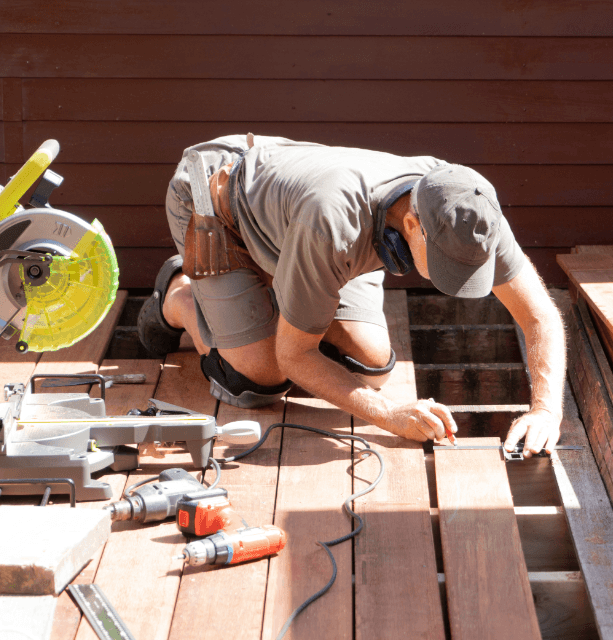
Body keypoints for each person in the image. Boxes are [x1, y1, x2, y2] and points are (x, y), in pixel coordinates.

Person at [138, 134, 565, 456]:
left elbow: (540, 316)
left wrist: (545, 410)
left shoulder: (470, 207)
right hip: (216, 195)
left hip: (303, 222)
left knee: (371, 365)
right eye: (446, 266)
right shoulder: (332, 223)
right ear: (413, 226)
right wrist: (390, 416)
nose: (457, 280)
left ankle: (283, 293)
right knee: (259, 378)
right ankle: (180, 297)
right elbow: (295, 357)